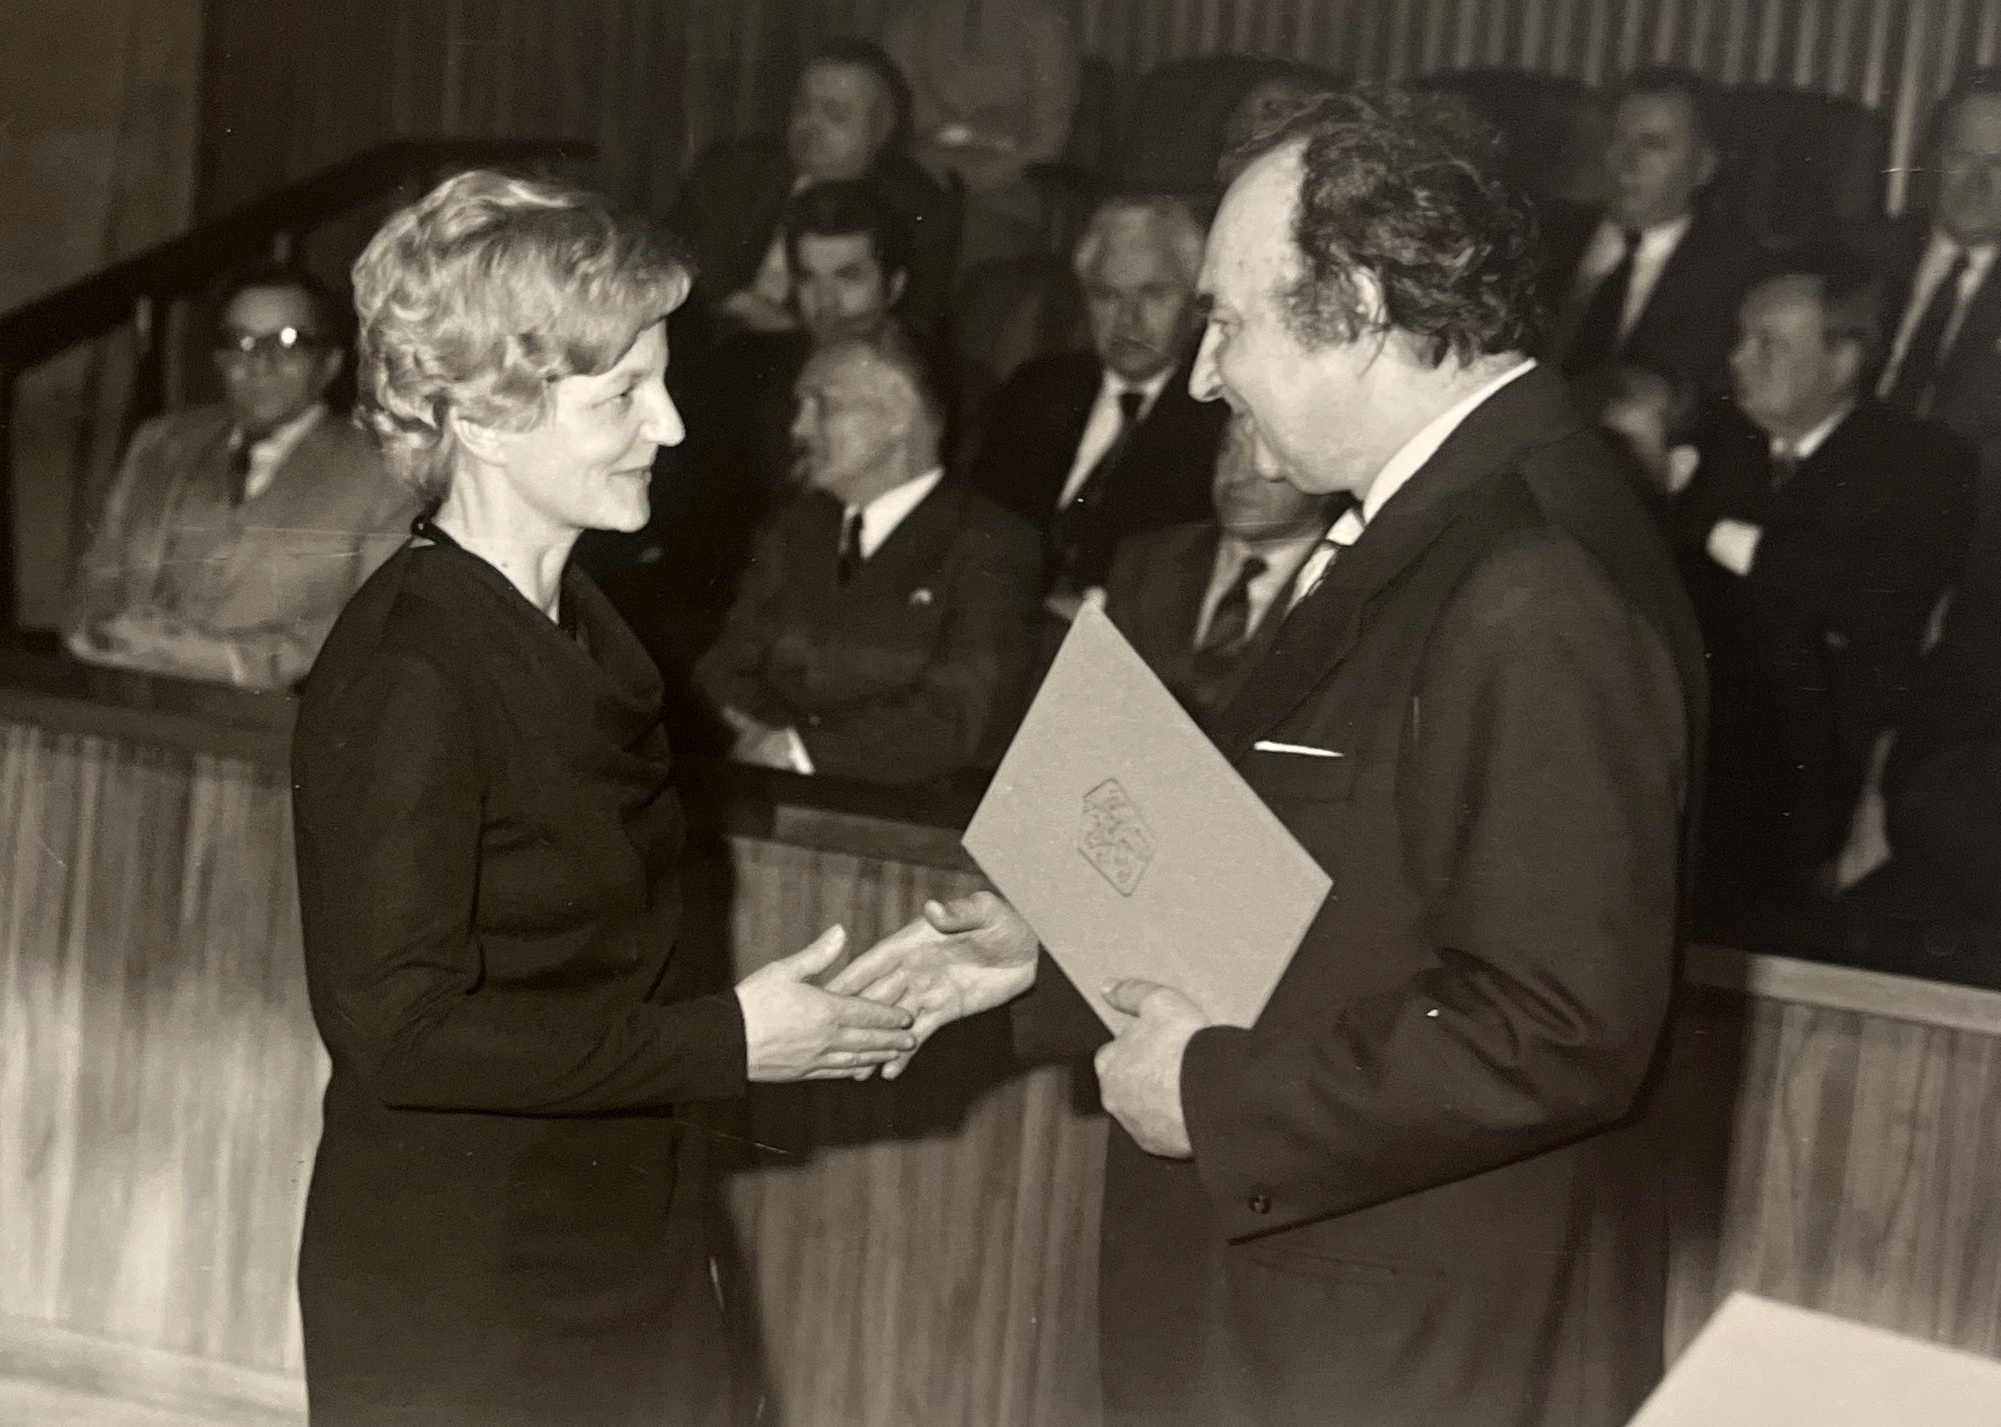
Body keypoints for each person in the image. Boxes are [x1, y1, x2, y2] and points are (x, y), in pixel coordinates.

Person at [836, 87, 1702, 1427]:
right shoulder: (1444, 523)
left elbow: (1554, 1025)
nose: (1202, 377)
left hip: (1391, 1344)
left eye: (1228, 322)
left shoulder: (1533, 578)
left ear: (1355, 304)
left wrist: (1211, 1092)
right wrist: (1053, 947)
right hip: (1326, 1308)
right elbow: (1347, 881)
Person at [289, 171, 918, 1427]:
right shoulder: (412, 668)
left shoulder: (582, 627)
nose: (670, 427)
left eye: (662, 383)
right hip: (467, 1291)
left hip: (621, 1240)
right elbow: (398, 1032)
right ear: (483, 418)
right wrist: (729, 1040)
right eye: (624, 393)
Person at [1675, 249, 1977, 929]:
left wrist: (1719, 534)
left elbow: (1870, 603)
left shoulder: (1921, 462)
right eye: (1739, 337)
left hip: (1828, 779)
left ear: (1842, 362)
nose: (1737, 359)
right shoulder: (1717, 442)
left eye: (1769, 344)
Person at [694, 339, 1040, 786]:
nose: (798, 427)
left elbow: (961, 715)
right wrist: (771, 739)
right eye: (800, 407)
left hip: (906, 813)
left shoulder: (990, 542)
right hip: (777, 791)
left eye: (823, 406)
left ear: (898, 416)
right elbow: (724, 667)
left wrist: (801, 749)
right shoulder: (795, 529)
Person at [62, 263, 415, 690]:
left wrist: (226, 660)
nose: (261, 362)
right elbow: (99, 575)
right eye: (241, 341)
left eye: (289, 341)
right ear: (219, 359)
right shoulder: (159, 443)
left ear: (330, 362)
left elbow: (378, 624)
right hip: (128, 699)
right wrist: (101, 634)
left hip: (266, 716)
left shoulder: (385, 469)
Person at [969, 193, 1225, 600]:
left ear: (1197, 304)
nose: (1128, 321)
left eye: (1153, 294)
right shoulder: (1035, 390)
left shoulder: (1218, 417)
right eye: (1107, 296)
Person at [668, 38, 951, 349]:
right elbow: (676, 257)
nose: (811, 124)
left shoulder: (916, 205)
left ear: (880, 130)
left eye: (835, 114)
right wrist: (744, 306)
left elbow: (915, 324)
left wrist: (798, 335)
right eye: (803, 107)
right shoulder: (734, 167)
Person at [1099, 413, 1335, 730]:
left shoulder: (1346, 589)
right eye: (1229, 449)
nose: (1239, 474)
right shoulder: (1149, 560)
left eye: (1268, 457)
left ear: (1325, 478)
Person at [1546, 66, 1767, 395]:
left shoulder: (1736, 275)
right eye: (1617, 140)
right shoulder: (1541, 238)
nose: (1627, 162)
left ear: (1703, 166)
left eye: (1653, 145)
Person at [1876, 69, 2001, 588]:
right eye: (1963, 156)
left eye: (2000, 164)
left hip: (1963, 553)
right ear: (1933, 160)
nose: (1977, 184)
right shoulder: (1863, 254)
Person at [881, 0, 1079, 271]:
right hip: (920, 186)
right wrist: (990, 139)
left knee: (975, 250)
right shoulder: (911, 22)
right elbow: (896, 123)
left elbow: (1047, 145)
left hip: (1006, 192)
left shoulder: (1045, 26)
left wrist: (970, 176)